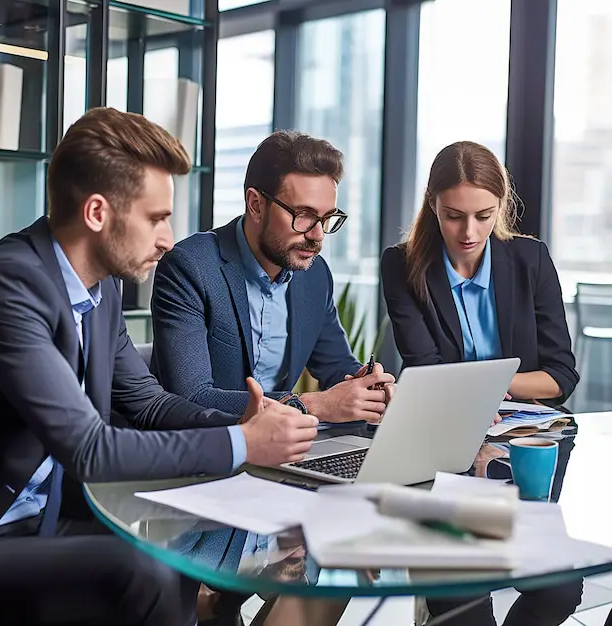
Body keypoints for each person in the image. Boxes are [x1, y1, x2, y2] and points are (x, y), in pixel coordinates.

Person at [0, 107, 318, 626]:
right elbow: (90, 448)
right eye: (156, 218)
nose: (168, 239)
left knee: (182, 538)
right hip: (0, 527)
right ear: (98, 212)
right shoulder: (10, 284)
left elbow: (148, 402)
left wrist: (248, 425)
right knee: (143, 569)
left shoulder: (102, 286)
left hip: (57, 514)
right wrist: (244, 444)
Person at [381, 140, 582, 625]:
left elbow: (561, 375)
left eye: (483, 215)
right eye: (453, 215)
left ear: (499, 207)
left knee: (559, 591)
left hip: (528, 447)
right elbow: (426, 369)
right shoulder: (402, 265)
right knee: (461, 597)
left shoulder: (529, 260)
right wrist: (484, 391)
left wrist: (491, 388)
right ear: (432, 204)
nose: (468, 231)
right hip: (448, 448)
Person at [151, 130, 394, 424]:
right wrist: (307, 405)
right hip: (205, 452)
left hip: (284, 449)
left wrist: (366, 385)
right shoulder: (190, 267)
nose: (317, 236)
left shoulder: (314, 274)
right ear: (255, 204)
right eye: (303, 215)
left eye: (327, 218)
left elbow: (336, 365)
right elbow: (192, 397)